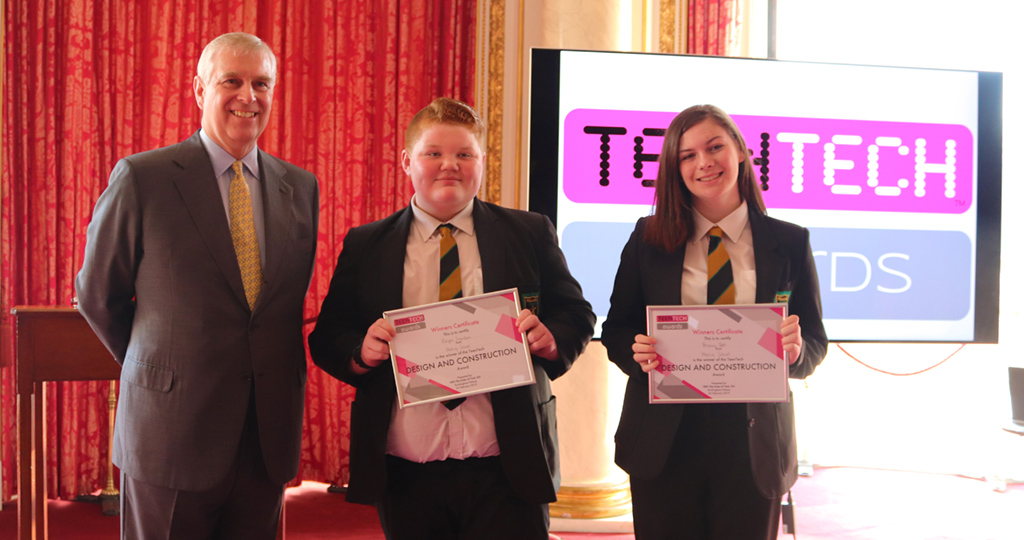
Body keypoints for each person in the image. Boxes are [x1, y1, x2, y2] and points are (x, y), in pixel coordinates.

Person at [308, 97, 595, 540]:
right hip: (406, 470)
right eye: (433, 153)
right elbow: (328, 335)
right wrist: (361, 352)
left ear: (482, 161)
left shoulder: (529, 231)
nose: (450, 166)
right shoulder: (366, 244)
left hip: (508, 462)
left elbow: (576, 313)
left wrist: (550, 339)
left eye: (464, 154)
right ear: (407, 160)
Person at [75, 32, 319, 540]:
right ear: (199, 89)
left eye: (261, 83)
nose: (248, 97)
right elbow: (99, 295)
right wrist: (160, 368)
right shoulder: (144, 178)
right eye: (232, 81)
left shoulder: (299, 187)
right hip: (170, 432)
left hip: (265, 436)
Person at [602, 104, 828, 540]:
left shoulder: (790, 241)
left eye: (714, 147)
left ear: (740, 152)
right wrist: (637, 352)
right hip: (664, 442)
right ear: (675, 168)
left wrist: (797, 352)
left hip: (753, 443)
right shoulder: (648, 239)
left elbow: (814, 340)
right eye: (687, 155)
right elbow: (616, 331)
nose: (703, 162)